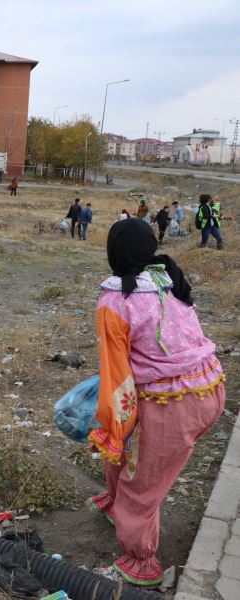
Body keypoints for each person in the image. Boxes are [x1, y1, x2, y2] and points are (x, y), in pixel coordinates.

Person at [88, 218, 224, 587]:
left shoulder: (115, 300)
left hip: (171, 404)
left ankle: (142, 563)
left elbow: (117, 379)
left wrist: (111, 425)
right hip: (209, 387)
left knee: (141, 481)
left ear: (113, 252)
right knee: (129, 451)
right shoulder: (167, 279)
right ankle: (116, 505)